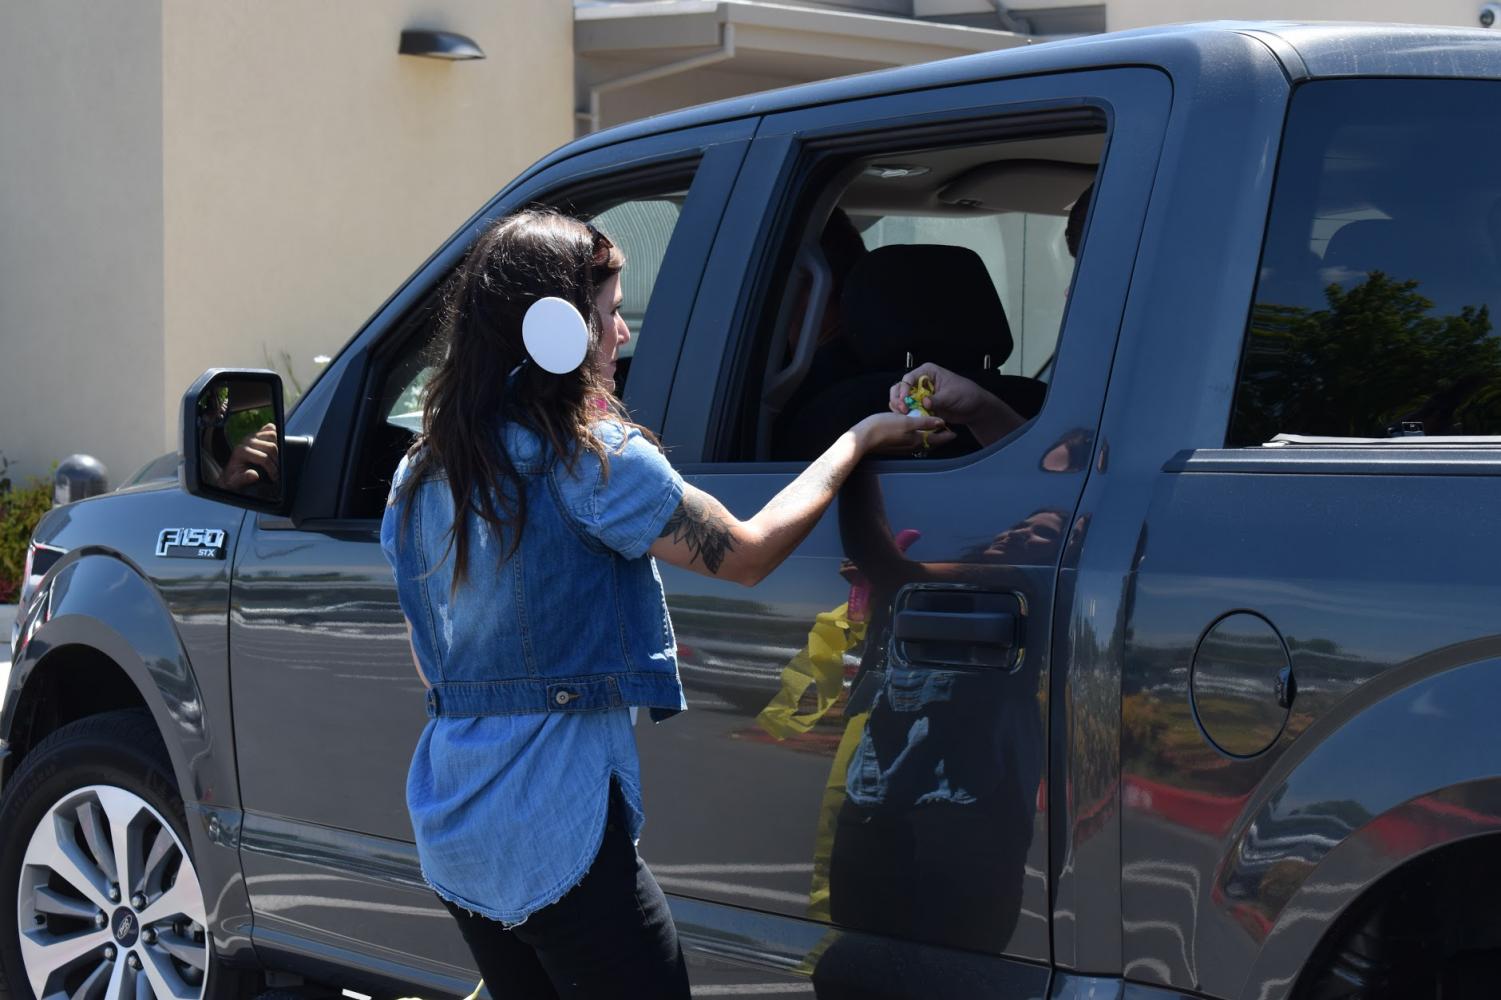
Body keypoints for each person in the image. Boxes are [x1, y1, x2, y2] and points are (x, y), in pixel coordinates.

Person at [378, 208, 946, 1000]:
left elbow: (425, 646)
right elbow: (746, 555)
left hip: (455, 821)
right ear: (555, 330)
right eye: (608, 314)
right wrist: (858, 440)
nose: (619, 336)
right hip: (556, 832)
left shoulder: (420, 473)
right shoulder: (590, 460)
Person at [887, 183, 1094, 446]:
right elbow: (1053, 471)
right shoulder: (1096, 383)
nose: (1070, 292)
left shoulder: (1135, 385)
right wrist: (982, 410)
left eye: (1091, 273)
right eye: (1076, 272)